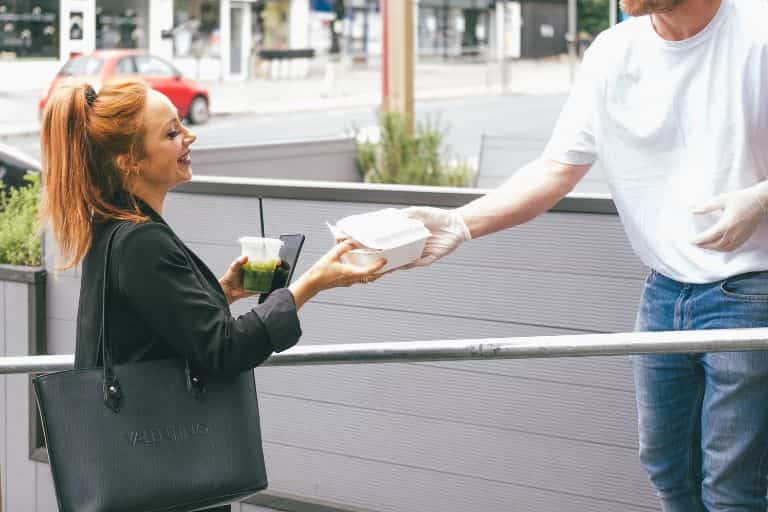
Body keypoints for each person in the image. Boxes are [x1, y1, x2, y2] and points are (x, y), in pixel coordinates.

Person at [401, 0, 768, 510]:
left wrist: (761, 196)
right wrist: (461, 223)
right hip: (662, 293)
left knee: (734, 489)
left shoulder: (758, 32)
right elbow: (556, 168)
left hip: (752, 292)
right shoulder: (612, 53)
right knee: (667, 467)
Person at [39, 78, 386, 512]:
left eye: (181, 124)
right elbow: (224, 350)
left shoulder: (112, 231)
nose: (190, 136)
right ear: (129, 161)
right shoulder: (141, 242)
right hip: (165, 488)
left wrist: (220, 293)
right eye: (170, 133)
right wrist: (311, 283)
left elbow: (149, 330)